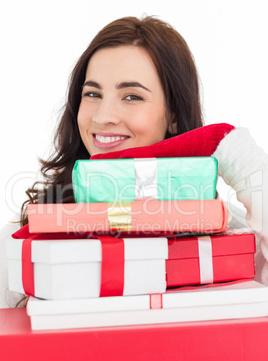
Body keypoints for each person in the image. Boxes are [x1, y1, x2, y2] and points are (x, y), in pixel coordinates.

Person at [1, 16, 268, 308]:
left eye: (131, 96)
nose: (102, 117)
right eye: (92, 94)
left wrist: (232, 149)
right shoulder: (26, 237)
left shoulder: (231, 238)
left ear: (174, 116)